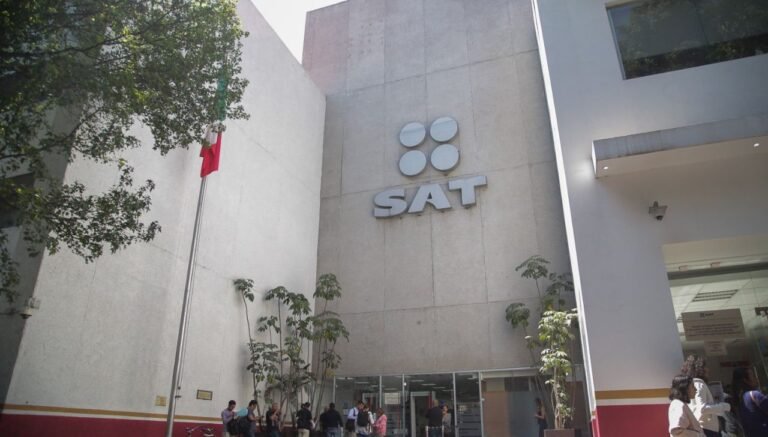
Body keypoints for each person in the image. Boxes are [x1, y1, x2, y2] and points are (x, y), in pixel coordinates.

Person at [681, 355, 730, 437]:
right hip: (706, 429)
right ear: (699, 369)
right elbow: (702, 408)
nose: (708, 369)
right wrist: (724, 406)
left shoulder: (688, 385)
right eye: (705, 367)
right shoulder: (699, 383)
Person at [732, 367, 768, 437]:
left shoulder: (739, 399)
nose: (756, 378)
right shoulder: (755, 395)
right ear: (745, 380)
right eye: (753, 376)